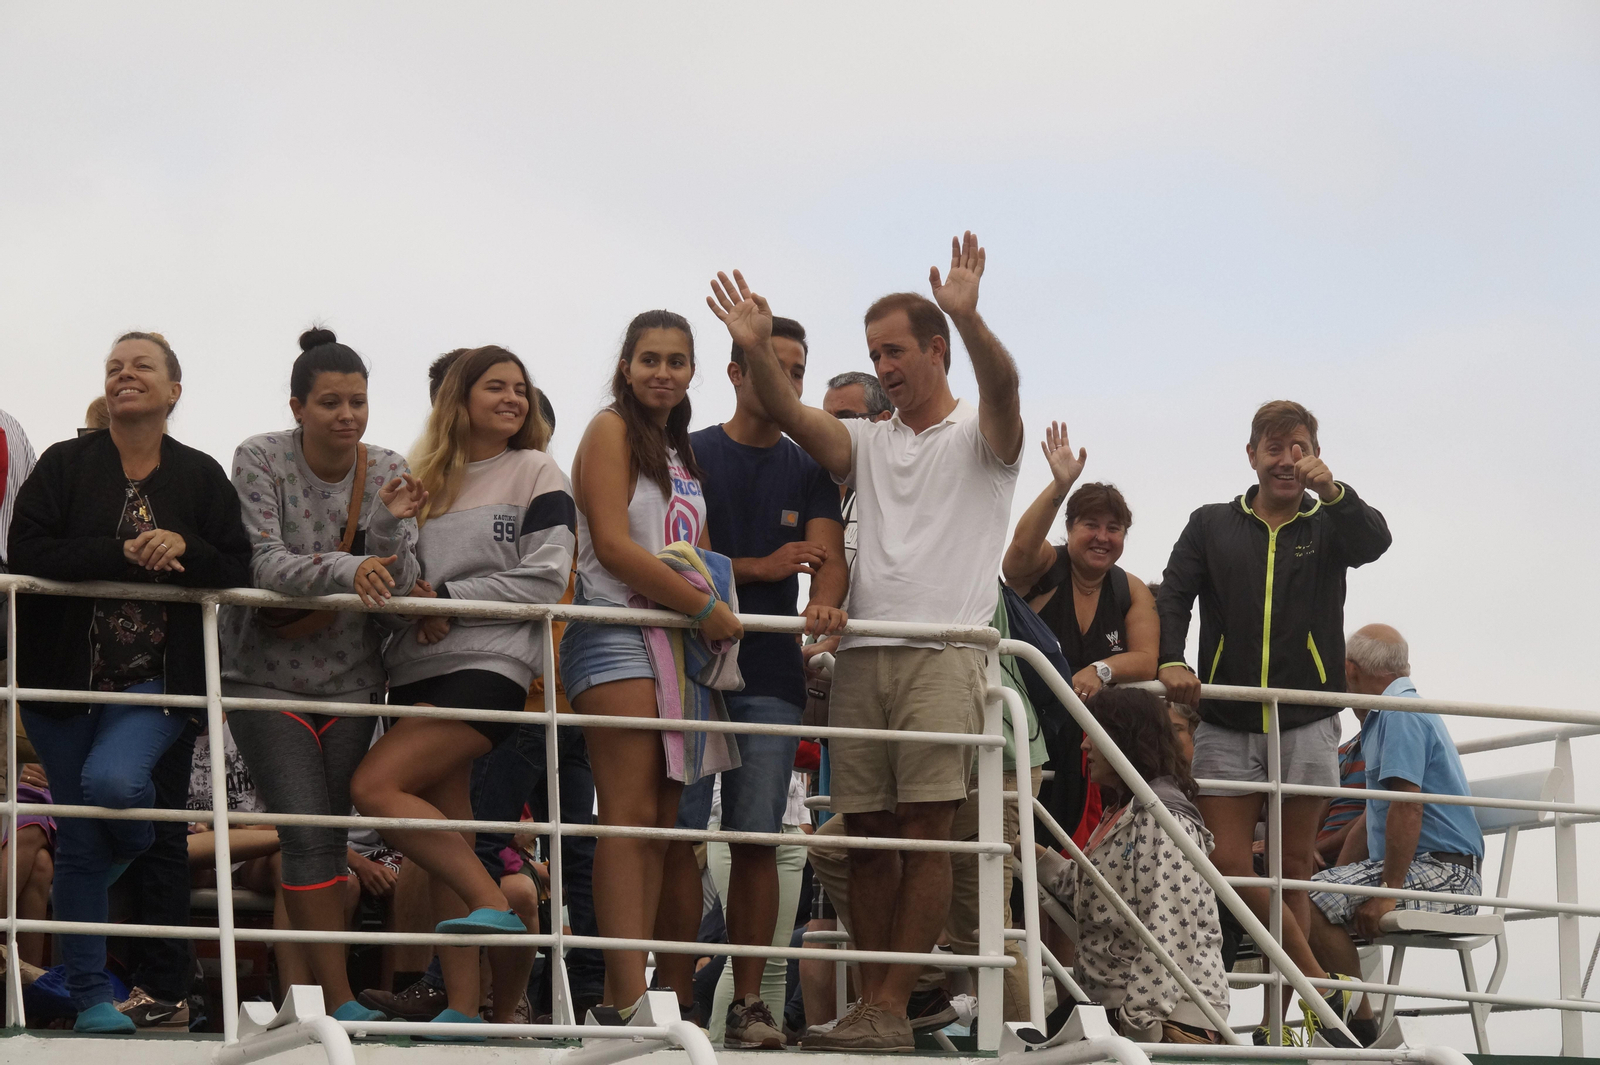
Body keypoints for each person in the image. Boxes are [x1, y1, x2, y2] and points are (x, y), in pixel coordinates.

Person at [706, 231, 1025, 1052]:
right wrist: (751, 345)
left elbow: (1006, 388)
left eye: (895, 351)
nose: (882, 365)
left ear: (935, 350)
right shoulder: (868, 444)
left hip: (946, 655)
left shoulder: (982, 440)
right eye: (873, 352)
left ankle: (885, 1003)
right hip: (862, 659)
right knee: (871, 838)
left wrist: (972, 318)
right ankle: (883, 999)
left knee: (924, 834)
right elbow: (784, 411)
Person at [7, 331, 252, 1033]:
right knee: (83, 839)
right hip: (64, 684)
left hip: (158, 680)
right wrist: (120, 553)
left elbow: (237, 566)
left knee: (114, 789)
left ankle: (136, 838)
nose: (124, 375)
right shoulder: (62, 463)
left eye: (141, 366)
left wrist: (184, 546)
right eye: (114, 367)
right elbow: (28, 549)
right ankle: (90, 998)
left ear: (174, 390)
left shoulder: (201, 475)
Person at [350, 345, 575, 1033]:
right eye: (495, 387)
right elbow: (392, 572)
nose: (512, 398)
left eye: (520, 388)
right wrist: (393, 524)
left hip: (492, 663)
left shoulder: (536, 468)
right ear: (460, 398)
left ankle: (497, 904)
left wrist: (449, 596)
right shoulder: (422, 476)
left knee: (374, 789)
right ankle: (467, 1008)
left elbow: (546, 575)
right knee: (447, 832)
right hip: (414, 667)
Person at [1155, 399, 1390, 1034]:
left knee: (1290, 877)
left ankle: (1278, 1022)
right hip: (1227, 719)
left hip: (1306, 718)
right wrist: (1172, 658)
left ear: (1312, 454)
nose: (1287, 459)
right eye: (1275, 447)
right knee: (1228, 864)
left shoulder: (1330, 522)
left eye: (1300, 447)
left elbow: (1376, 541)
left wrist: (1333, 490)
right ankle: (1323, 987)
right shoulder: (1209, 524)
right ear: (1252, 454)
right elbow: (1173, 592)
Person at [220, 328, 426, 1023]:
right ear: (298, 406)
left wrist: (392, 532)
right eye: (332, 402)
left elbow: (398, 582)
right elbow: (265, 564)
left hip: (351, 677)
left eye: (358, 401)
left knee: (328, 835)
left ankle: (303, 998)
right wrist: (347, 565)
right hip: (263, 676)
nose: (347, 415)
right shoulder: (259, 456)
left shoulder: (390, 464)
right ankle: (335, 999)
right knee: (306, 831)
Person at [659, 315, 846, 1048]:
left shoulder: (812, 468)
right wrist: (763, 568)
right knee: (673, 836)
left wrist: (826, 595)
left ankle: (748, 1005)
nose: (788, 380)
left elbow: (828, 559)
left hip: (769, 668)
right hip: (688, 665)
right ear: (736, 373)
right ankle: (669, 997)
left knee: (758, 838)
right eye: (774, 364)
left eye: (798, 369)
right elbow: (671, 553)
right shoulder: (689, 452)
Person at [561, 310, 742, 1019]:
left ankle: (666, 993)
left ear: (692, 371)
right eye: (649, 359)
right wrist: (703, 610)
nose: (662, 372)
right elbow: (610, 543)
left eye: (676, 360)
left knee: (671, 827)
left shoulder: (678, 450)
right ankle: (623, 991)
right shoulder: (609, 430)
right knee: (630, 817)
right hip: (616, 631)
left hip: (677, 647)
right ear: (626, 367)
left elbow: (689, 550)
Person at [1305, 625, 1483, 1046]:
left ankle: (1359, 1027)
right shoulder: (1394, 711)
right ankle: (1356, 1021)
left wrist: (1387, 890)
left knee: (1303, 897)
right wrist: (1342, 877)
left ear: (1350, 670)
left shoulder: (1398, 715)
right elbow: (1375, 817)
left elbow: (1407, 806)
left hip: (1445, 874)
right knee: (1303, 892)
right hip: (1428, 866)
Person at [1027, 687, 1230, 1044]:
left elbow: (1169, 929)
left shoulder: (1161, 820)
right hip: (1121, 1007)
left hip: (1165, 1016)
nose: (1083, 746)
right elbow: (1093, 888)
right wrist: (1025, 852)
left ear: (1125, 738)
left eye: (1093, 733)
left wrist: (1141, 1022)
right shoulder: (1123, 810)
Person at [1001, 424, 1158, 700]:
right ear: (1070, 528)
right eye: (1091, 525)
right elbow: (1019, 552)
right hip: (1028, 721)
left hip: (1094, 732)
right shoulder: (1045, 565)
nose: (1102, 537)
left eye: (1113, 528)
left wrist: (1101, 670)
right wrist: (1061, 485)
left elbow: (1146, 660)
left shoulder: (1129, 590)